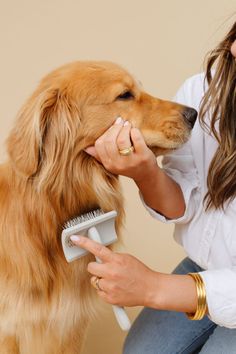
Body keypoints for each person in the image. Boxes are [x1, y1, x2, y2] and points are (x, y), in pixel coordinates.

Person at [70, 21, 236, 353]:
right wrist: (145, 172)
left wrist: (153, 287)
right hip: (206, 265)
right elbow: (182, 205)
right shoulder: (203, 92)